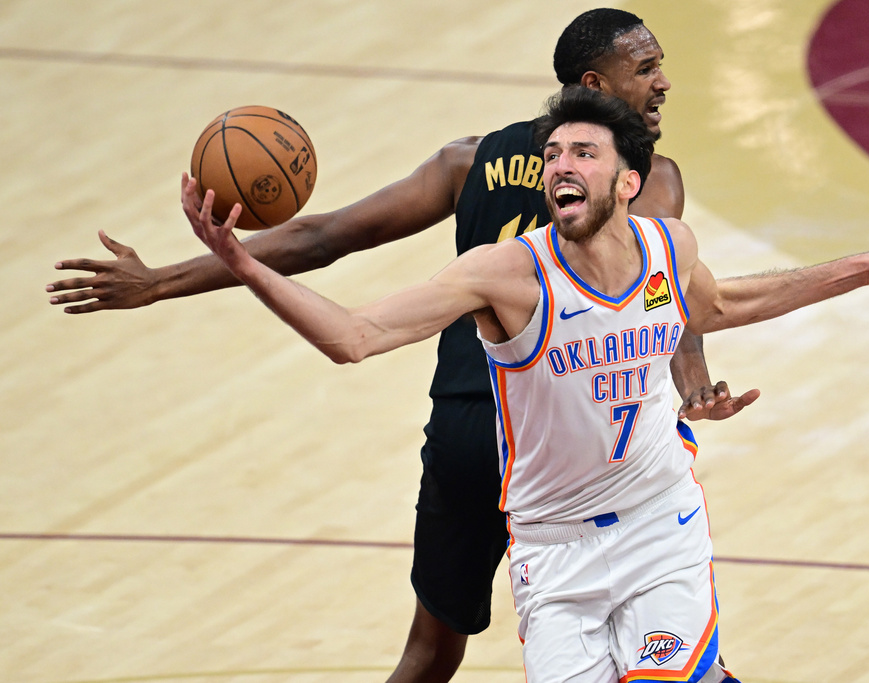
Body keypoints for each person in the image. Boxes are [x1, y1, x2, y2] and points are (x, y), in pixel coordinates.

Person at [46, 10, 759, 682]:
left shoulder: (469, 159)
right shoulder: (651, 179)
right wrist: (693, 380)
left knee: (427, 656)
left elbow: (322, 237)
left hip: (464, 433)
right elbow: (663, 288)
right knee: (663, 638)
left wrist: (161, 280)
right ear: (595, 87)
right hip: (569, 442)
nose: (662, 81)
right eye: (647, 68)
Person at [185, 86, 869, 683]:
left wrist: (865, 268)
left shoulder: (670, 247)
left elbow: (728, 302)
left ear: (627, 182)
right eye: (555, 153)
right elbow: (354, 337)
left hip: (659, 524)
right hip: (553, 550)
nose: (562, 164)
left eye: (583, 154)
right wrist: (243, 262)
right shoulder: (508, 275)